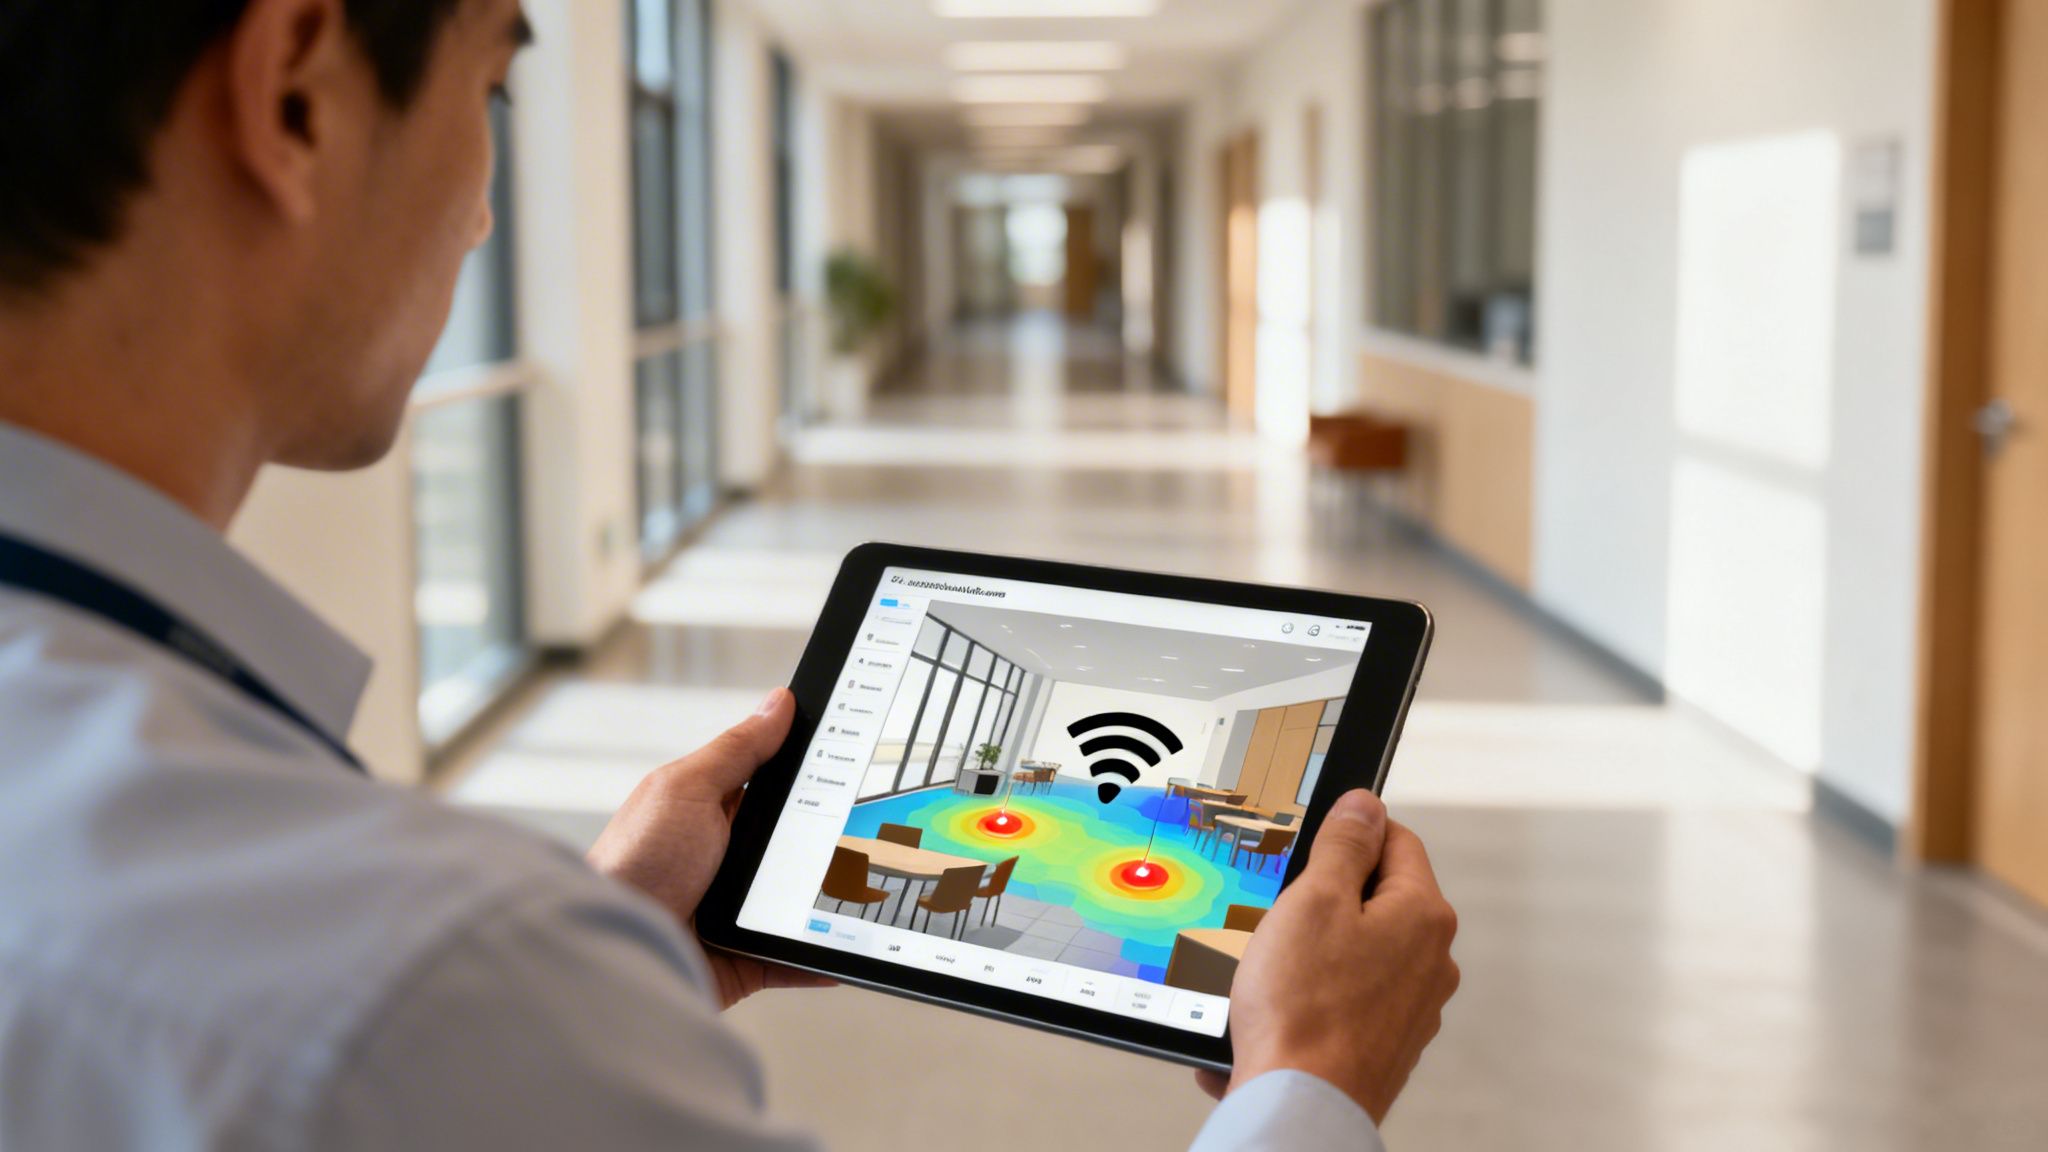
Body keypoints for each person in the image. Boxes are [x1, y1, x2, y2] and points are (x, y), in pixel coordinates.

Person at [0, 0, 1461, 1147]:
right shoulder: (406, 988)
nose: (485, 213)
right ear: (297, 91)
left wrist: (613, 954)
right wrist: (1311, 1083)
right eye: (492, 93)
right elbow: (394, 1039)